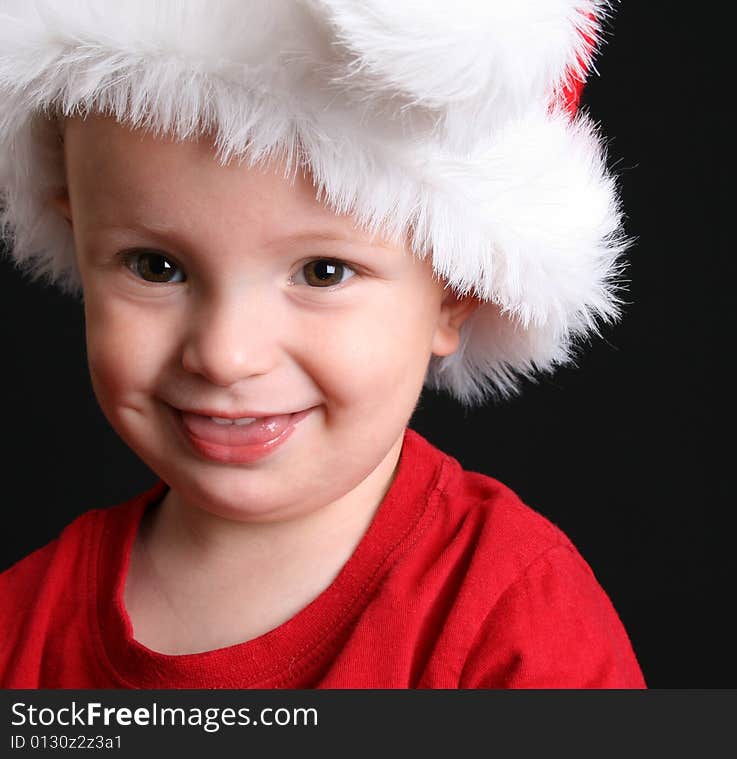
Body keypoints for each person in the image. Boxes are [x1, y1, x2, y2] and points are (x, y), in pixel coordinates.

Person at [0, 0, 645, 688]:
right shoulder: (20, 627)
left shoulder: (513, 620)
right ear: (76, 233)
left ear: (455, 289)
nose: (225, 353)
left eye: (322, 272)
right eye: (155, 266)